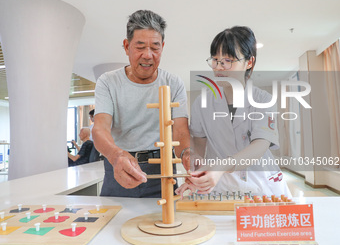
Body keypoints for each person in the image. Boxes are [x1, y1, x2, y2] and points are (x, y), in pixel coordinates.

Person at [176, 26, 291, 197]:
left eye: (228, 60)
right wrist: (196, 176)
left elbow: (260, 145)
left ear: (249, 62)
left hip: (262, 187)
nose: (219, 67)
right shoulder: (201, 103)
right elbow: (199, 147)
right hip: (220, 188)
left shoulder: (263, 100)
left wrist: (220, 168)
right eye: (215, 60)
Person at [92, 10, 190, 198]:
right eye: (140, 47)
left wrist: (187, 153)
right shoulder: (107, 82)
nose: (148, 55)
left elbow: (180, 131)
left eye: (155, 48)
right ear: (127, 46)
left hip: (163, 169)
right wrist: (116, 156)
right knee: (115, 224)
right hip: (119, 166)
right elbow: (100, 129)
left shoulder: (174, 82)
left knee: (166, 224)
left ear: (162, 47)